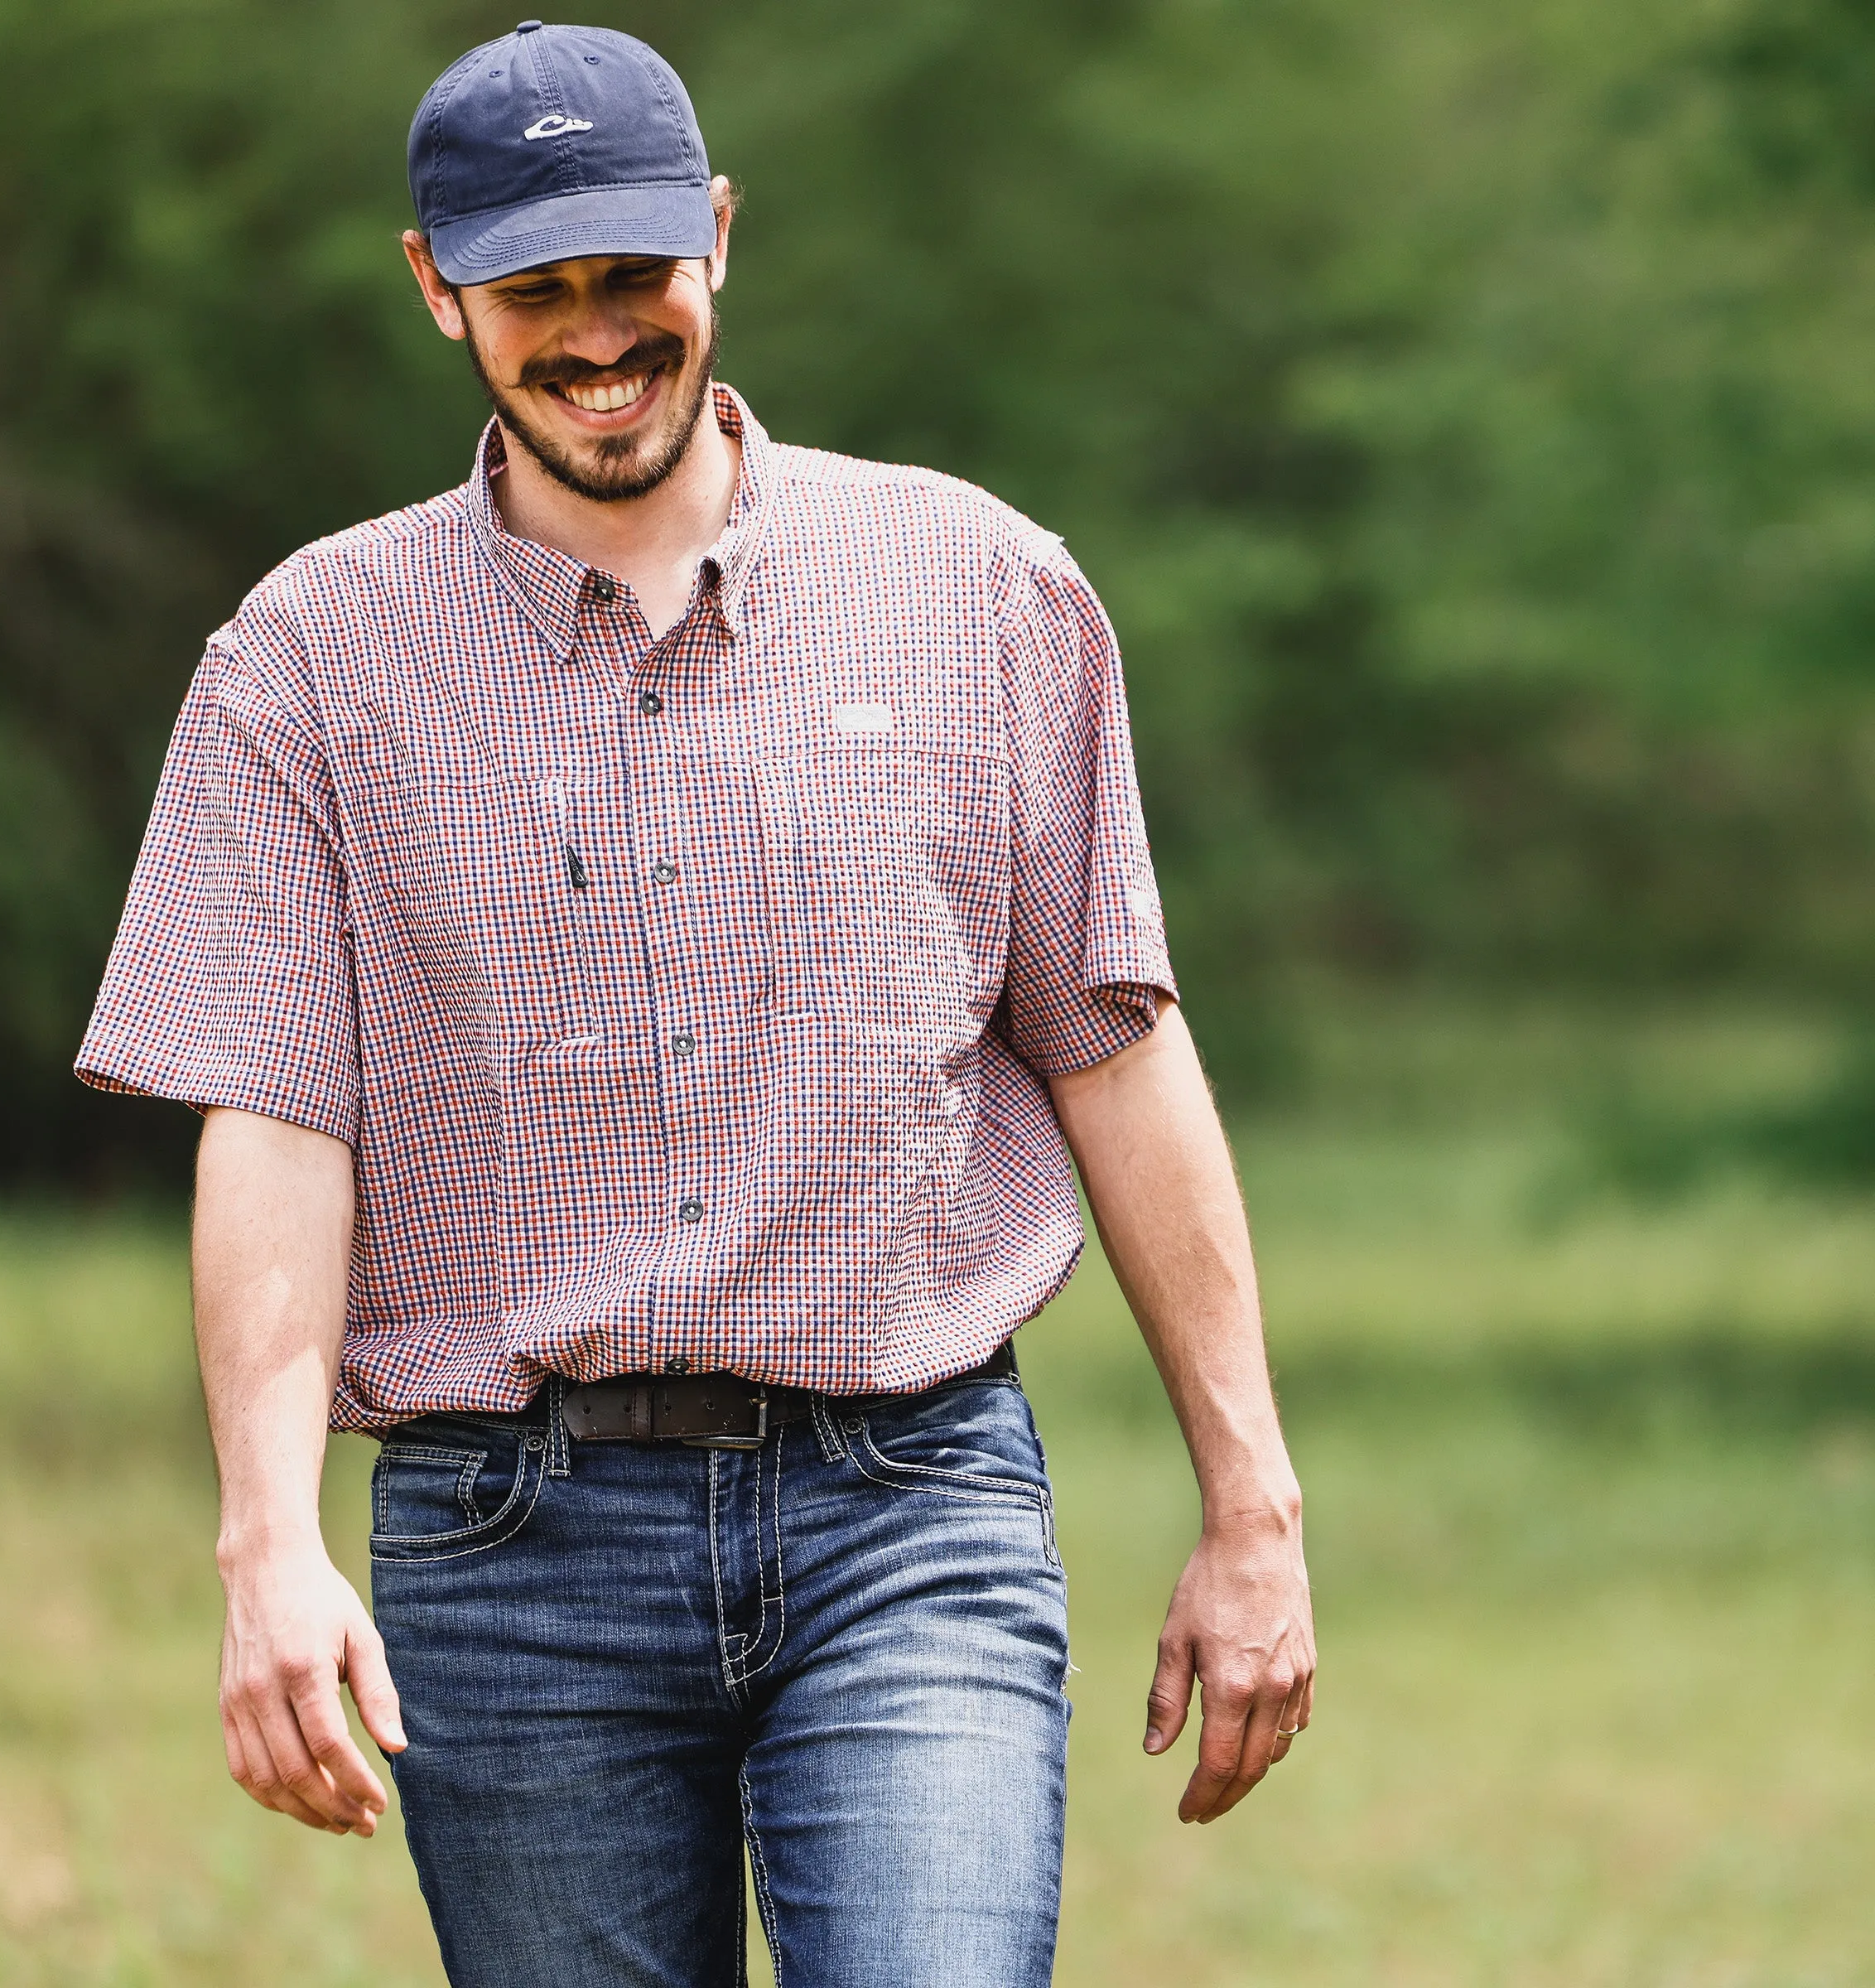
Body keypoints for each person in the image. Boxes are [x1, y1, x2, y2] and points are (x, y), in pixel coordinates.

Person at [76, 21, 1314, 1986]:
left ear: (717, 238)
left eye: (633, 276)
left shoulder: (979, 587)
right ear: (434, 290)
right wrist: (264, 1542)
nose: (595, 336)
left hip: (911, 1512)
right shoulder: (305, 663)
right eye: (533, 289)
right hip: (508, 1550)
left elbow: (1117, 1045)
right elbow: (279, 1119)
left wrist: (1254, 1502)